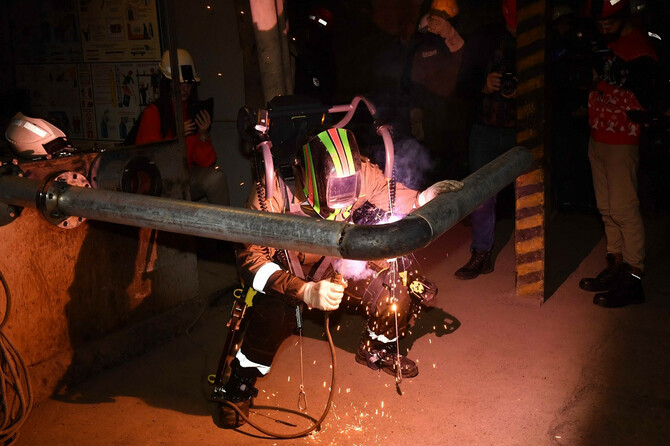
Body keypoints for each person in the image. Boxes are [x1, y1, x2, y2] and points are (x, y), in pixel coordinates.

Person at [219, 126, 463, 428]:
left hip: (336, 263)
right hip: (288, 273)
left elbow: (391, 196)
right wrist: (305, 291)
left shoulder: (361, 173)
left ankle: (376, 347)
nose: (342, 209)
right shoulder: (273, 191)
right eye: (333, 200)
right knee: (273, 315)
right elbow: (250, 260)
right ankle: (241, 382)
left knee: (393, 287)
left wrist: (424, 198)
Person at [578, 0, 667, 307]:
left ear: (624, 16)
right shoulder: (607, 44)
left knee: (624, 209)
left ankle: (633, 277)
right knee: (607, 208)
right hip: (598, 135)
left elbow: (645, 103)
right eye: (600, 23)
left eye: (609, 22)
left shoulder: (641, 51)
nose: (603, 28)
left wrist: (601, 85)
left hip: (622, 140)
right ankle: (616, 264)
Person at [453, 0, 517, 280]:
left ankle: (535, 255)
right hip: (485, 128)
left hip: (523, 130)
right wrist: (484, 84)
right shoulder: (484, 38)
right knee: (480, 193)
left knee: (530, 191)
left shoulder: (538, 37)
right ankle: (481, 253)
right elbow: (462, 86)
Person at [135, 48, 230, 206]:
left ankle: (225, 221)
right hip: (158, 180)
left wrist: (203, 135)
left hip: (183, 175)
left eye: (188, 84)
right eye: (180, 83)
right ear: (169, 84)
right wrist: (175, 138)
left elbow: (207, 162)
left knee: (216, 178)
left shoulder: (189, 111)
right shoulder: (153, 114)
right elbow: (147, 158)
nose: (185, 88)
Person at [406, 0, 465, 182]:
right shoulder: (422, 47)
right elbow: (413, 83)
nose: (434, 26)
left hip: (456, 117)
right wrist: (416, 113)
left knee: (456, 168)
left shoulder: (458, 43)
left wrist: (449, 33)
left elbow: (464, 64)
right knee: (432, 168)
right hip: (431, 117)